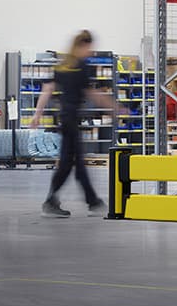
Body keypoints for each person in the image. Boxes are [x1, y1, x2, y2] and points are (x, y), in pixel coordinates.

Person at [31, 31, 116, 217]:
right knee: (72, 164)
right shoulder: (81, 66)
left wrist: (37, 115)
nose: (91, 51)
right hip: (71, 119)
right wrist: (114, 106)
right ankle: (87, 202)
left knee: (71, 163)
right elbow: (92, 94)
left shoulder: (63, 66)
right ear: (82, 46)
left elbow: (47, 89)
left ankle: (87, 201)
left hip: (65, 118)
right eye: (89, 47)